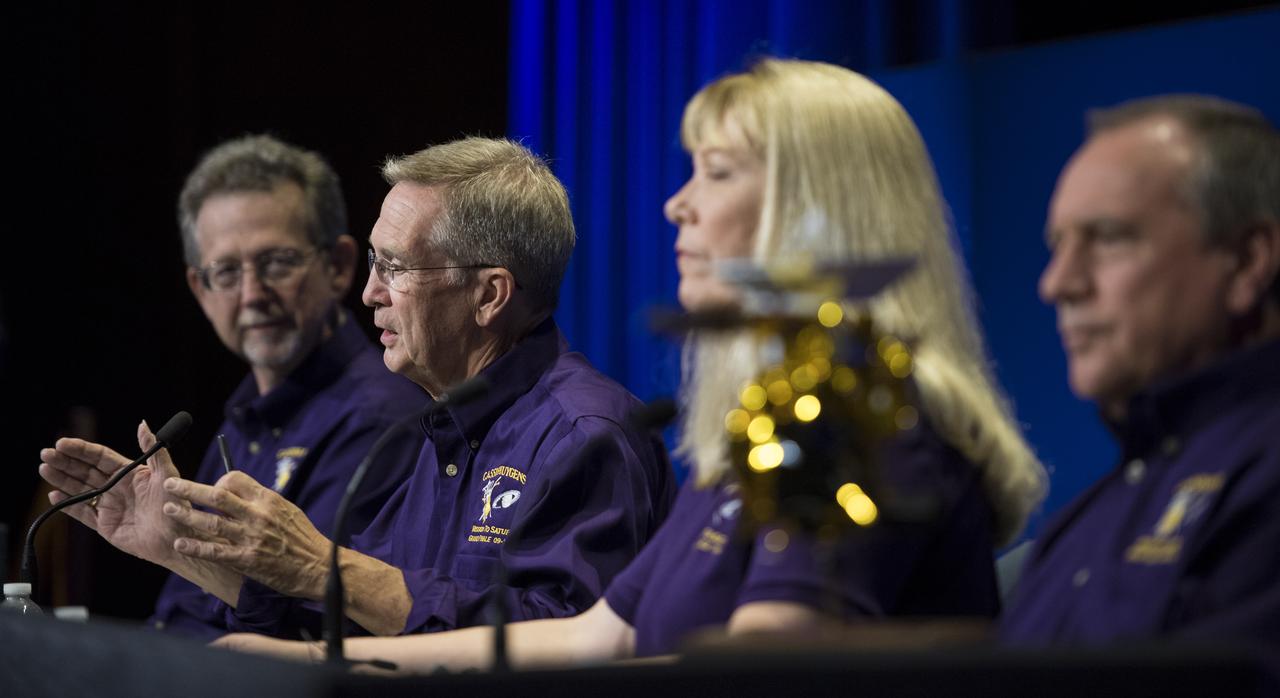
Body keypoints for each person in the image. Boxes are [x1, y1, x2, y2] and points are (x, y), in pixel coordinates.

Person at [217, 58, 1047, 670]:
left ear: (817, 211)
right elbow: (596, 638)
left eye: (715, 173)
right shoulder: (771, 425)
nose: (675, 203)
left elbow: (757, 673)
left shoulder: (860, 416)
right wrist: (290, 665)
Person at [39, 137, 675, 638]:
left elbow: (564, 646)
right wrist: (176, 548)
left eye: (394, 267)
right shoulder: (442, 427)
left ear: (488, 295)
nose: (369, 293)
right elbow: (344, 611)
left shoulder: (585, 435)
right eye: (375, 263)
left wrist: (326, 566)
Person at [39, 135, 428, 640]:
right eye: (226, 271)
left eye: (276, 263)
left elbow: (326, 635)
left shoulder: (383, 419)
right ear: (199, 288)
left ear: (338, 267)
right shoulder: (246, 412)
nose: (251, 295)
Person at [1001, 96, 1280, 645]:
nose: (1058, 284)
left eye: (1107, 237)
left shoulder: (1264, 478)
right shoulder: (1082, 523)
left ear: (1248, 260)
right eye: (1058, 245)